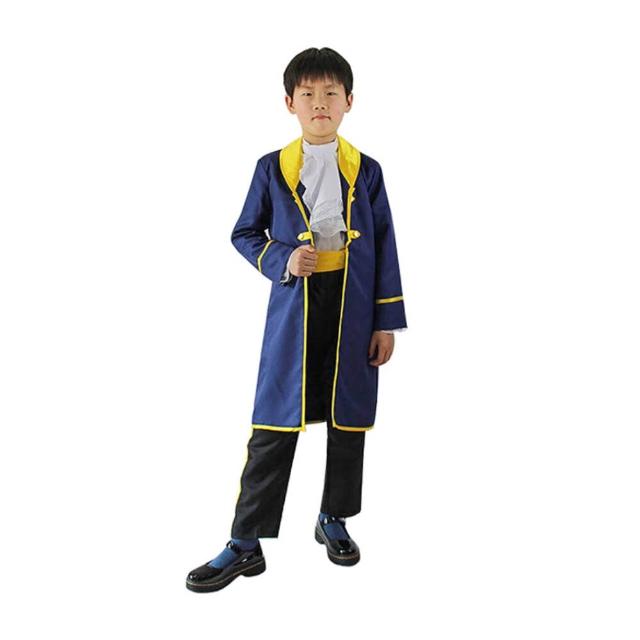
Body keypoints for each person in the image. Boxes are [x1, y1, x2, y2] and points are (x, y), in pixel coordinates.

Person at [186, 47, 407, 593]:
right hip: (295, 311)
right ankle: (245, 542)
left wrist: (385, 322)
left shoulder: (368, 171)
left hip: (353, 310)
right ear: (290, 103)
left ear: (349, 101)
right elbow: (245, 233)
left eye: (331, 93)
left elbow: (385, 245)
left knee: (348, 420)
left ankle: (334, 517)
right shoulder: (271, 168)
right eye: (308, 94)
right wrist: (284, 258)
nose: (319, 103)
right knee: (274, 422)